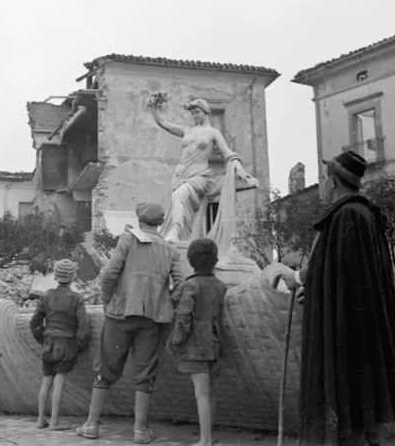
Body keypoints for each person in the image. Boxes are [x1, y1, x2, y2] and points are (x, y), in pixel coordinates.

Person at [282, 150, 395, 445]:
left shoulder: (347, 215)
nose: (323, 185)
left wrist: (298, 279)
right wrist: (316, 290)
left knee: (350, 395)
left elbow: (331, 269)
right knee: (363, 397)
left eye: (325, 178)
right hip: (362, 320)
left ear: (333, 180)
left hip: (348, 327)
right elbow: (347, 274)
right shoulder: (363, 213)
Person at [76, 201, 184, 444]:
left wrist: (107, 301)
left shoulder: (127, 239)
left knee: (105, 368)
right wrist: (166, 301)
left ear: (139, 219)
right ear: (161, 222)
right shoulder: (170, 249)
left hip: (120, 313)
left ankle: (91, 425)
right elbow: (182, 283)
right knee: (145, 373)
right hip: (153, 319)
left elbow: (109, 274)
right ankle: (140, 430)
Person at [148, 98, 258, 242]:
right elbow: (163, 124)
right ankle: (183, 235)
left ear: (206, 111)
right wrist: (153, 109)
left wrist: (239, 169)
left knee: (177, 197)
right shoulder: (187, 130)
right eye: (192, 113)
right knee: (181, 205)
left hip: (199, 176)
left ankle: (175, 232)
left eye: (197, 112)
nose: (194, 115)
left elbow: (228, 154)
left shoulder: (213, 133)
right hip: (181, 175)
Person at [167, 238, 227, 446]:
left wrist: (176, 340)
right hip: (215, 341)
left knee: (201, 394)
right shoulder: (220, 285)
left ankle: (205, 440)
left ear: (191, 261)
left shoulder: (191, 285)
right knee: (210, 393)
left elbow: (184, 316)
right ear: (215, 259)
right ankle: (208, 436)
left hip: (195, 345)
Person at [29, 258, 91, 431]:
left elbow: (34, 322)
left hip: (48, 344)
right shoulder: (77, 299)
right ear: (73, 277)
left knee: (46, 381)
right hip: (67, 345)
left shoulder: (46, 296)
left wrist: (42, 338)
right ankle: (55, 422)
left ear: (56, 276)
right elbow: (84, 327)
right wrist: (79, 345)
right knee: (59, 382)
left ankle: (41, 419)